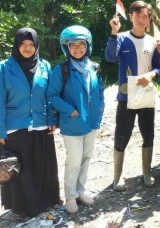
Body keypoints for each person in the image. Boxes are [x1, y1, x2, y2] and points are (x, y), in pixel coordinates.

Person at [0, 28, 60, 217]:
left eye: (31, 44)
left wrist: (52, 118)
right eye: (23, 44)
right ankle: (23, 208)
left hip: (41, 125)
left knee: (42, 166)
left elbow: (50, 96)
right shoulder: (3, 68)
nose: (27, 48)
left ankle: (47, 202)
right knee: (21, 169)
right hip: (14, 127)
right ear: (17, 46)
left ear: (36, 46)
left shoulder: (44, 66)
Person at [105, 0, 160, 191]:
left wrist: (152, 74)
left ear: (149, 19)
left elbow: (159, 67)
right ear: (131, 17)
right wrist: (114, 32)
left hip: (146, 93)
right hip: (127, 94)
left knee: (148, 133)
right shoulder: (121, 38)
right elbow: (110, 57)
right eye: (137, 15)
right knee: (123, 133)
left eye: (145, 16)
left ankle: (146, 173)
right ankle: (117, 176)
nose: (141, 19)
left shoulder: (153, 41)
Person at [47, 25, 105, 213]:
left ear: (88, 46)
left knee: (87, 157)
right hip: (72, 123)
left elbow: (100, 91)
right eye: (73, 45)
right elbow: (52, 95)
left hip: (92, 122)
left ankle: (81, 191)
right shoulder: (61, 69)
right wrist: (70, 110)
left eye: (82, 44)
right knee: (74, 160)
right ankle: (70, 196)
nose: (78, 48)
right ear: (67, 47)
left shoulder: (94, 67)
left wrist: (100, 107)